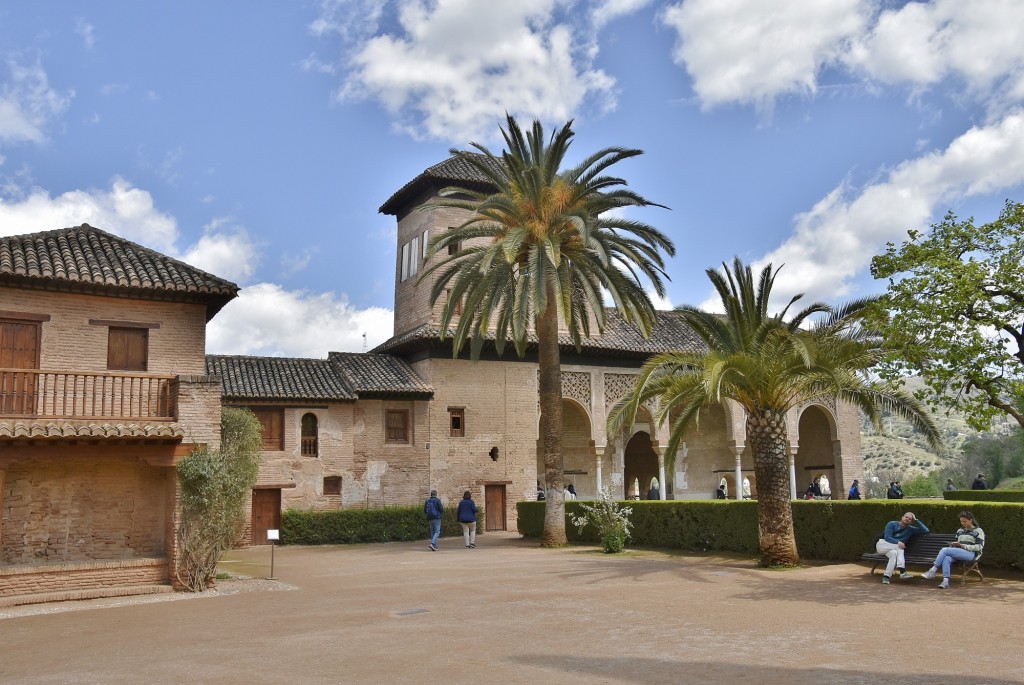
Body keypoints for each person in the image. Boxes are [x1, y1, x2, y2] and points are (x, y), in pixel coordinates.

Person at [923, 510, 985, 589]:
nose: (963, 523)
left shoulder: (978, 531)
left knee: (944, 550)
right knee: (946, 558)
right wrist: (954, 544)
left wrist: (965, 546)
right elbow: (957, 542)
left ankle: (932, 570)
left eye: (965, 521)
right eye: (961, 521)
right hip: (958, 552)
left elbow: (979, 547)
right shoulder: (960, 531)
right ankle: (945, 581)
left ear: (971, 520)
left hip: (970, 553)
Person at [875, 511, 930, 584]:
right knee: (900, 547)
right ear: (902, 517)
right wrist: (898, 542)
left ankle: (886, 577)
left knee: (894, 554)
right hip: (882, 545)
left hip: (893, 550)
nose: (907, 519)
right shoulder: (892, 524)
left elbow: (926, 530)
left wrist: (916, 520)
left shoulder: (910, 529)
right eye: (906, 517)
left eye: (910, 519)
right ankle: (902, 571)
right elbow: (887, 537)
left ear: (911, 521)